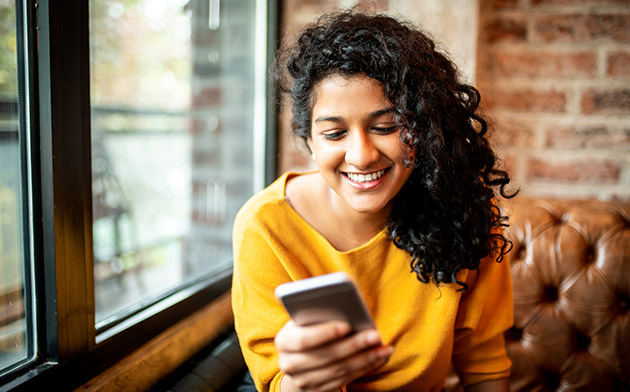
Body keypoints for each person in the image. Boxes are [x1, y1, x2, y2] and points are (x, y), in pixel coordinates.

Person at [232, 10, 516, 392]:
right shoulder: (266, 227)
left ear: (424, 127)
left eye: (386, 127)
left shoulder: (464, 212)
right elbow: (275, 380)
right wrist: (304, 381)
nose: (361, 155)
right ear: (310, 141)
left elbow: (484, 366)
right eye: (334, 134)